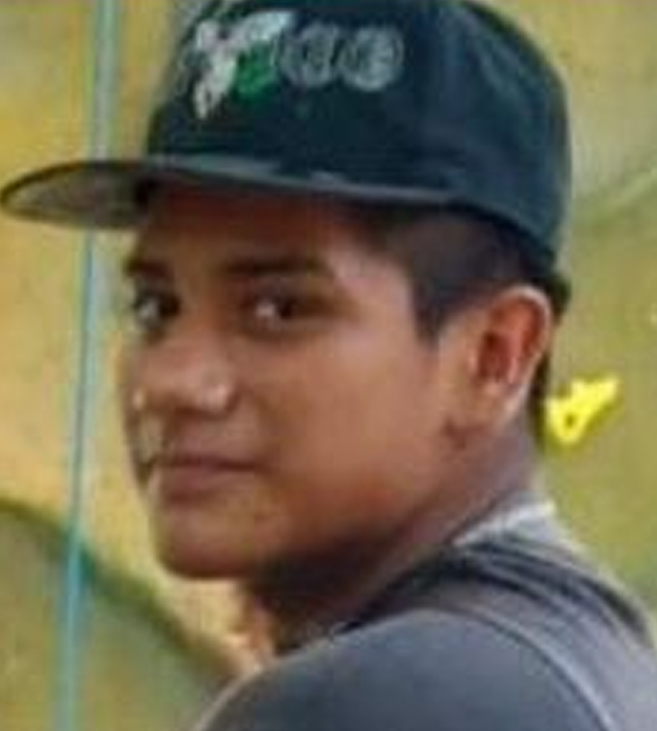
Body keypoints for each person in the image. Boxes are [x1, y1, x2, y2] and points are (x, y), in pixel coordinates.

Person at [3, 0, 657, 728]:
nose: (173, 383)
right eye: (156, 307)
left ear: (492, 356)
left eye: (278, 309)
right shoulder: (585, 655)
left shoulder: (385, 698)